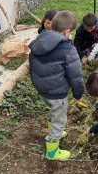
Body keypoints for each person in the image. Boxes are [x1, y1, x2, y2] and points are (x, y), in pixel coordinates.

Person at [28, 11, 85, 160]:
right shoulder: (68, 49)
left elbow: (32, 66)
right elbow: (76, 76)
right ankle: (52, 151)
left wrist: (36, 84)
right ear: (67, 31)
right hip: (57, 93)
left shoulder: (39, 40)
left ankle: (54, 130)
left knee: (54, 111)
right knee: (60, 118)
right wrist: (78, 94)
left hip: (42, 90)